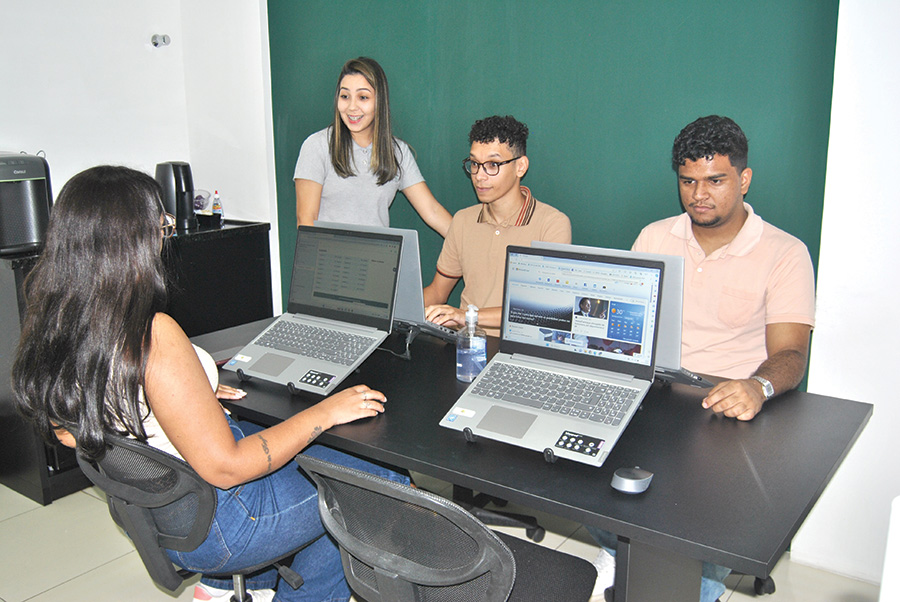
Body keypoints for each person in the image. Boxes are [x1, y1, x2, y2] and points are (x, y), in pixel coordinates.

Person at [12, 166, 408, 602]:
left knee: (304, 455)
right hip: (224, 522)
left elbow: (72, 429)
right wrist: (325, 411)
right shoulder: (152, 335)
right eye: (160, 225)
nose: (164, 235)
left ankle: (235, 587)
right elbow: (227, 468)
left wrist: (180, 397)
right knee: (378, 476)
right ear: (131, 242)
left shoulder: (58, 323)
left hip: (169, 514)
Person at [589, 115, 816, 602]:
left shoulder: (784, 252)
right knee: (572, 465)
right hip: (655, 395)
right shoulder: (655, 237)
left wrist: (758, 386)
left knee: (691, 559)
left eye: (715, 180)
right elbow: (626, 327)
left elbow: (792, 353)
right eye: (688, 181)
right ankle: (618, 547)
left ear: (744, 179)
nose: (699, 194)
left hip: (725, 408)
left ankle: (681, 577)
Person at [423, 115, 572, 336]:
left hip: (519, 347)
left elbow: (544, 309)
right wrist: (393, 308)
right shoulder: (463, 220)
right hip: (466, 343)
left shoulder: (552, 224)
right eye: (475, 164)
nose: (479, 176)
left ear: (520, 166)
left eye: (492, 165)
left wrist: (466, 316)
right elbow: (437, 292)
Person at [294, 56, 451, 235]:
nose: (352, 107)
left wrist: (468, 244)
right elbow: (306, 220)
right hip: (328, 253)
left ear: (379, 101)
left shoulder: (397, 152)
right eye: (345, 96)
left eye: (363, 97)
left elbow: (432, 211)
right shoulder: (317, 146)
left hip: (379, 253)